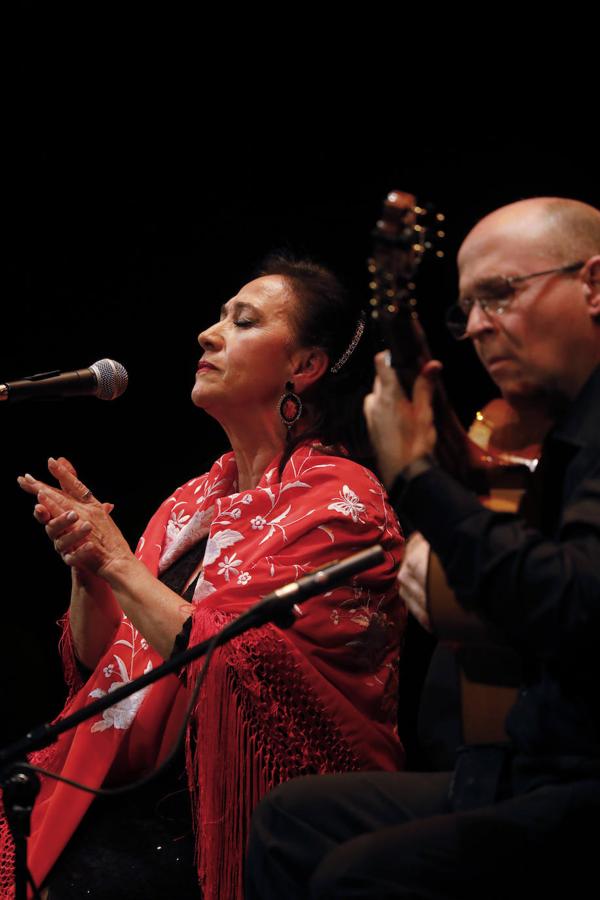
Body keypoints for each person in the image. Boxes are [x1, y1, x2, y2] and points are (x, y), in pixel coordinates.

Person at [0, 256, 405, 900]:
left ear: (305, 367)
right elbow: (99, 662)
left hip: (243, 815)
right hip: (136, 799)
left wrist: (118, 563)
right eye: (218, 317)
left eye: (242, 322)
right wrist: (89, 570)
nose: (208, 334)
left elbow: (235, 664)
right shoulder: (191, 502)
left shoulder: (340, 502)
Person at [245, 197, 600, 899]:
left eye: (498, 295)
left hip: (583, 778)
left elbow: (575, 601)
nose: (475, 328)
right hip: (530, 762)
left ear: (593, 285)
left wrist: (411, 475)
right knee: (292, 821)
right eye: (464, 308)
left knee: (360, 875)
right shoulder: (562, 434)